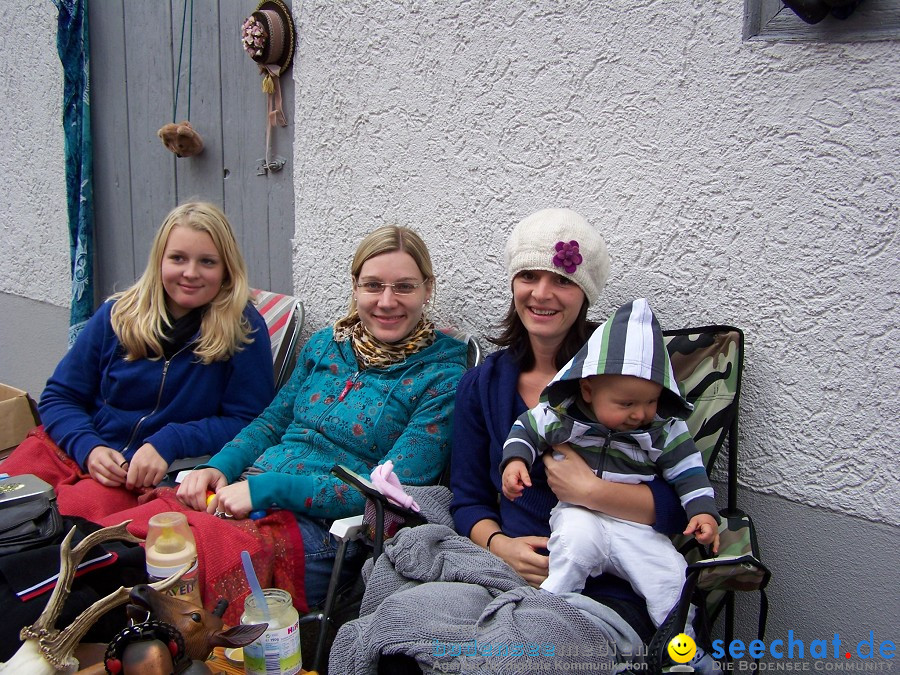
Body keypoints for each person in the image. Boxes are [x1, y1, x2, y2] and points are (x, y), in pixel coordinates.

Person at [329, 208, 691, 674]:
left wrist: (590, 492)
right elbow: (469, 497)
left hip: (605, 585)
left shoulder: (626, 384)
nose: (542, 293)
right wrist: (500, 544)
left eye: (561, 280)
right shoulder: (483, 384)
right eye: (529, 276)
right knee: (399, 638)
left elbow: (681, 503)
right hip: (499, 570)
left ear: (585, 293)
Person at [176, 225, 468, 607]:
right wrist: (219, 467)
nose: (386, 301)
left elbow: (391, 492)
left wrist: (269, 489)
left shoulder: (443, 376)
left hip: (323, 532)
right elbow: (272, 422)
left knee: (188, 566)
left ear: (428, 289)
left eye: (404, 287)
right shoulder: (327, 345)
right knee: (152, 535)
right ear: (355, 287)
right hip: (245, 493)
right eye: (373, 285)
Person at [0, 202, 275, 520]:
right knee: (11, 497)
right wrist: (88, 447)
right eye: (178, 258)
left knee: (60, 526)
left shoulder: (243, 329)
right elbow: (60, 396)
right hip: (73, 447)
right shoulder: (118, 314)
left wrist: (169, 441)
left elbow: (250, 422)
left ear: (226, 269)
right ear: (159, 260)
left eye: (207, 262)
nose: (190, 273)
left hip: (137, 477)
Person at [501, 297, 719, 636]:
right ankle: (547, 610)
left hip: (637, 527)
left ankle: (680, 648)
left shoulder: (661, 428)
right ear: (588, 390)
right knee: (572, 548)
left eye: (650, 401)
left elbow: (689, 471)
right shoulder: (566, 416)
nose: (640, 413)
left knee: (670, 577)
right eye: (626, 403)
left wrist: (703, 511)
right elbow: (527, 428)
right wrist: (515, 461)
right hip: (578, 514)